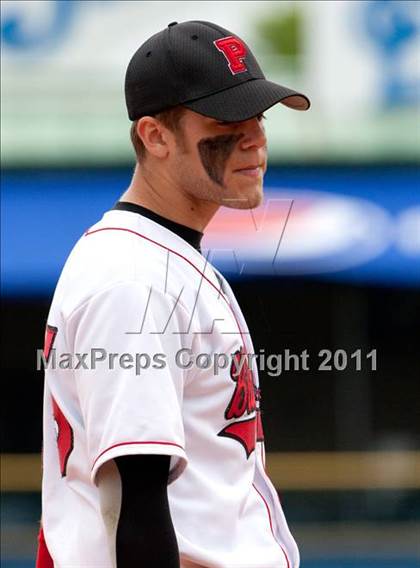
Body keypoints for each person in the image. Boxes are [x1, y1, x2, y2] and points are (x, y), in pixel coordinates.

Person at [36, 20, 310, 568]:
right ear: (155, 136)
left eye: (257, 114)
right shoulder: (131, 280)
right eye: (226, 118)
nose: (254, 136)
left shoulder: (159, 258)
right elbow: (139, 504)